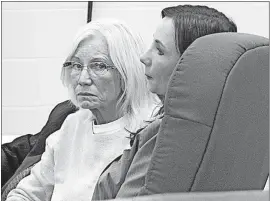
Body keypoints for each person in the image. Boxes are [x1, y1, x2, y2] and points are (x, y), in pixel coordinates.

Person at [90, 5, 238, 200]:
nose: (144, 58)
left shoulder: (168, 135)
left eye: (159, 50)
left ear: (191, 67)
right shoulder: (231, 128)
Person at [5, 19, 158, 201]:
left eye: (99, 65)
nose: (83, 79)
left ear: (127, 72)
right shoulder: (71, 124)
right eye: (77, 66)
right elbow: (27, 193)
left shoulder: (148, 132)